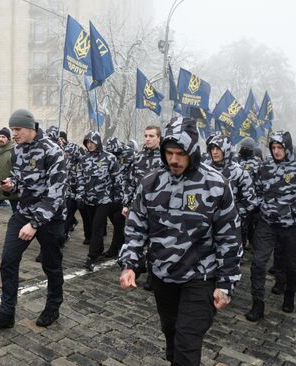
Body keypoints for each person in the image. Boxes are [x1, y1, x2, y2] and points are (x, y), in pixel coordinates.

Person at [118, 117, 241, 366]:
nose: (174, 160)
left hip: (200, 278)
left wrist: (226, 283)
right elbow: (136, 226)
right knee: (171, 331)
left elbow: (229, 237)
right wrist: (130, 264)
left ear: (193, 152)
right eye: (169, 153)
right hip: (164, 276)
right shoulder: (150, 183)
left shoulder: (216, 185)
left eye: (181, 154)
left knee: (187, 341)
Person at [0, 109, 67, 331]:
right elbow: (22, 179)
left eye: (17, 129)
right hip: (23, 213)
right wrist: (13, 185)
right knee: (8, 261)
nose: (14, 134)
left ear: (31, 128)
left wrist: (35, 224)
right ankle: (6, 313)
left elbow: (56, 194)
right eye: (12, 130)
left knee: (52, 266)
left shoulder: (53, 152)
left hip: (50, 219)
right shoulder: (18, 150)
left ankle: (53, 306)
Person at [245, 131, 296, 321]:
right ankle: (257, 304)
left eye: (280, 148)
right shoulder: (265, 166)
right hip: (267, 224)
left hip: (292, 227)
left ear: (287, 147)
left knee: (291, 266)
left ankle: (289, 295)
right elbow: (257, 189)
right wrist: (261, 206)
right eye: (273, 148)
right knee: (258, 263)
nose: (276, 151)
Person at [122, 125, 163, 290]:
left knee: (155, 242)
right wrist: (126, 204)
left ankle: (153, 275)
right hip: (139, 207)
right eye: (146, 135)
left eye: (152, 136)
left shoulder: (164, 158)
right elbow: (130, 182)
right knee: (134, 237)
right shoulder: (138, 157)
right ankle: (135, 267)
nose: (148, 139)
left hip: (158, 206)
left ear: (159, 138)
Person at [76, 130, 122, 271]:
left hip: (105, 199)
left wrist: (117, 197)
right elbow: (81, 179)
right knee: (92, 225)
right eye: (87, 142)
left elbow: (117, 178)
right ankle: (99, 248)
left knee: (97, 227)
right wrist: (80, 196)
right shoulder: (83, 159)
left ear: (98, 142)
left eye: (92, 142)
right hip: (89, 200)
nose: (89, 145)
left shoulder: (109, 158)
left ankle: (92, 257)